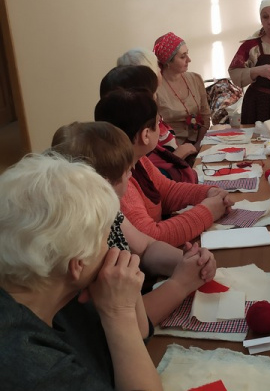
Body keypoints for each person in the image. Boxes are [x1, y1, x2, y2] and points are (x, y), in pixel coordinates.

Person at [0, 153, 162, 390]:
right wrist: (119, 312)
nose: (112, 248)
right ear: (78, 263)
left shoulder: (52, 285)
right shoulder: (32, 366)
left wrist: (126, 297)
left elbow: (137, 341)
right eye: (106, 239)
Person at [51, 121, 216, 325]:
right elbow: (124, 323)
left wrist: (187, 261)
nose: (131, 175)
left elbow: (146, 247)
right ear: (104, 184)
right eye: (128, 171)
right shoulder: (80, 246)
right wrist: (180, 284)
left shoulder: (108, 212)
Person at [94, 87, 233, 247]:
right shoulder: (119, 183)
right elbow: (152, 238)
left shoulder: (139, 160)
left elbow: (167, 191)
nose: (161, 128)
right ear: (146, 135)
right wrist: (208, 211)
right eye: (158, 123)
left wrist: (207, 192)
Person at [100, 64, 198, 183]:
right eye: (153, 93)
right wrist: (180, 154)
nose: (156, 97)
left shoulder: (142, 155)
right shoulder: (137, 158)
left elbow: (167, 186)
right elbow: (162, 181)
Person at [117, 47, 198, 162]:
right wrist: (181, 153)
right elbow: (154, 164)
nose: (160, 69)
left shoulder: (149, 103)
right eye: (157, 66)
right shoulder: (144, 114)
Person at [153, 32, 211, 146]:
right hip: (173, 147)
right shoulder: (156, 89)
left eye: (187, 54)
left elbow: (205, 115)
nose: (189, 59)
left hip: (201, 142)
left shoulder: (195, 79)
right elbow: (156, 128)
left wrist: (199, 144)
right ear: (167, 62)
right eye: (183, 56)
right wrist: (181, 151)